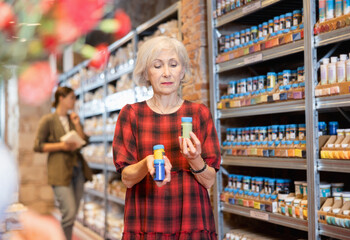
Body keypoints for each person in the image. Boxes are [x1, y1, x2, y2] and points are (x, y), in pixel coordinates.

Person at [113, 36, 221, 239]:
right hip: (148, 220)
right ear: (146, 73)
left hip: (192, 220)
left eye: (173, 64)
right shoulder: (131, 114)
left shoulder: (199, 113)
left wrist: (194, 158)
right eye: (157, 65)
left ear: (182, 71)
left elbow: (209, 182)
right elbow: (127, 178)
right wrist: (147, 163)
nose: (166, 73)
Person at [33, 86, 92, 240]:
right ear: (61, 98)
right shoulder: (48, 120)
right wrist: (62, 145)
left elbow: (84, 141)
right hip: (59, 171)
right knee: (69, 212)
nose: (74, 101)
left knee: (72, 213)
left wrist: (77, 124)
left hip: (77, 169)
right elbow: (38, 146)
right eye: (72, 97)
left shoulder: (73, 119)